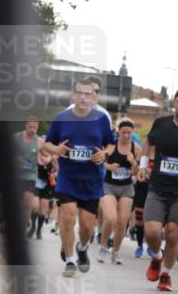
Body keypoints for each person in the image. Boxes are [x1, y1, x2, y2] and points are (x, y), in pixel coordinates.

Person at [43, 79, 115, 276]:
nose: (83, 97)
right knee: (67, 217)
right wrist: (56, 149)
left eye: (88, 94)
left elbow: (111, 144)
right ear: (73, 95)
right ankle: (70, 260)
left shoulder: (101, 119)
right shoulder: (62, 118)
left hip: (91, 180)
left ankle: (82, 248)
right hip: (68, 178)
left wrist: (105, 154)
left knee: (86, 227)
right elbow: (47, 144)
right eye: (80, 93)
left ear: (94, 97)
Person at [138, 89, 178, 292]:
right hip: (158, 187)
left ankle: (166, 274)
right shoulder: (161, 124)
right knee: (151, 231)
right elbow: (148, 142)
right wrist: (143, 165)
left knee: (172, 234)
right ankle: (157, 256)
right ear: (174, 103)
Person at [99, 118, 139, 264]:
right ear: (118, 132)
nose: (127, 135)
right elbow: (98, 161)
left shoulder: (136, 148)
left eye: (129, 132)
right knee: (110, 218)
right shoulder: (111, 146)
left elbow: (137, 173)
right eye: (124, 132)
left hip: (126, 188)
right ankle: (103, 247)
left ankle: (115, 252)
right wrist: (108, 167)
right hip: (109, 185)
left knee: (122, 222)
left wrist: (133, 162)